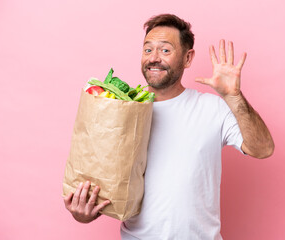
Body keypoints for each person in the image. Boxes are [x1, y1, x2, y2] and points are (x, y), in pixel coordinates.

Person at [64, 14, 274, 239]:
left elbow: (263, 149)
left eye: (165, 50)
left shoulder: (212, 108)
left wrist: (234, 96)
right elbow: (106, 184)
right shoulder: (120, 111)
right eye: (147, 50)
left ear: (187, 58)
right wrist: (84, 212)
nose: (154, 58)